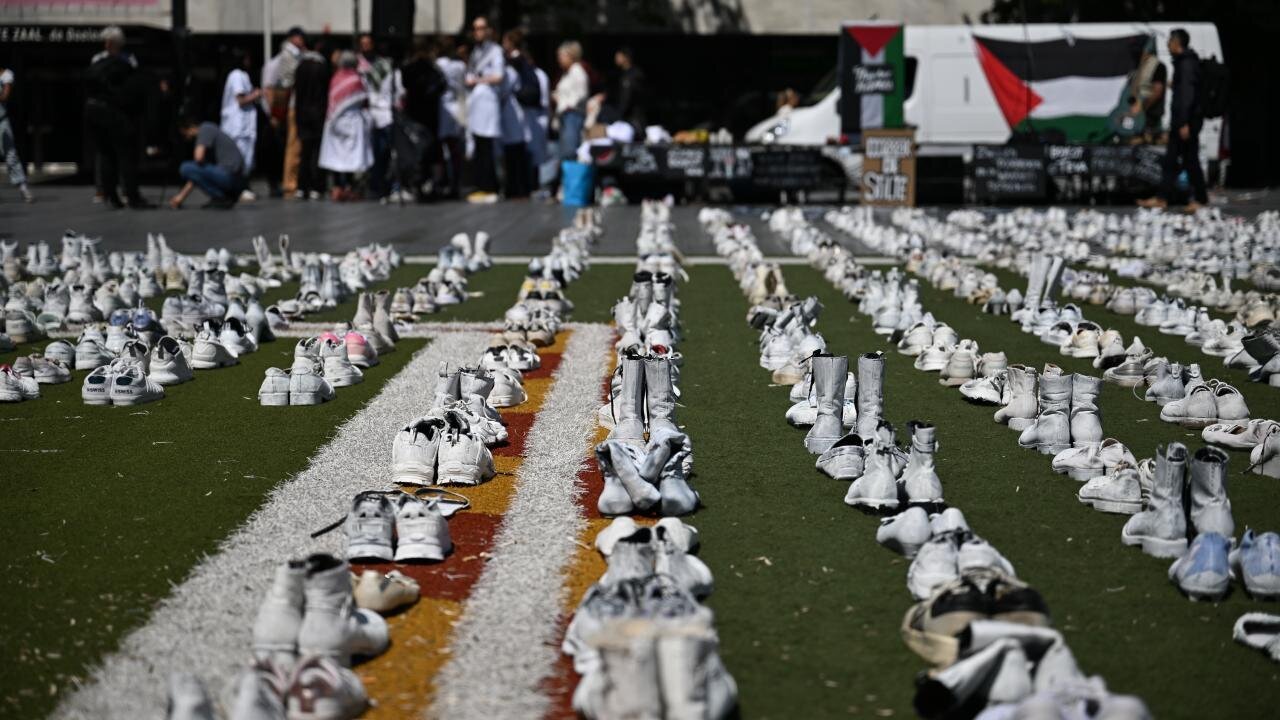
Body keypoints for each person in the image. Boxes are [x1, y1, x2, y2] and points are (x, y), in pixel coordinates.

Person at [85, 26, 154, 209]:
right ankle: (131, 195)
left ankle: (110, 195)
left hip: (94, 112)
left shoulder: (96, 61)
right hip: (116, 114)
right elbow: (133, 89)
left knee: (105, 154)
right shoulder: (127, 61)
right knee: (126, 155)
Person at [1139, 28, 1206, 212]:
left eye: (1170, 41)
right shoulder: (1184, 63)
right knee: (1170, 160)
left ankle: (1200, 198)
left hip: (1186, 122)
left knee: (1190, 160)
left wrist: (1183, 122)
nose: (1168, 45)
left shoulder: (1186, 65)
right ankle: (1162, 198)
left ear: (1177, 43)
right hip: (1182, 121)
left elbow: (1186, 96)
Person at [319, 50, 372, 201]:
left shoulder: (335, 78)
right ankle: (349, 187)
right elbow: (364, 98)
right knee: (351, 156)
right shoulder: (357, 79)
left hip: (335, 122)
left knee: (336, 156)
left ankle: (337, 187)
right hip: (352, 121)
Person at [400, 37, 447, 200]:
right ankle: (427, 182)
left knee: (418, 149)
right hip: (427, 115)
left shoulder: (410, 68)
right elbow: (442, 86)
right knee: (428, 150)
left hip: (416, 115)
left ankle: (419, 182)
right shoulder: (432, 69)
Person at [465, 16, 505, 203]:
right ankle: (481, 185)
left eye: (481, 28)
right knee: (479, 145)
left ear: (489, 30)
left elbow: (499, 76)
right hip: (476, 102)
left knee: (486, 146)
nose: (478, 32)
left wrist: (477, 80)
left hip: (487, 101)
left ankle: (490, 187)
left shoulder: (495, 51)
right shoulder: (475, 52)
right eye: (475, 28)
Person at [168, 119, 245, 209]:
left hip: (229, 175)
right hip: (234, 177)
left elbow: (198, 157)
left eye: (185, 134)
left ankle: (220, 197)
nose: (187, 138)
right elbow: (197, 175)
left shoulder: (205, 129)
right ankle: (224, 196)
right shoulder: (211, 135)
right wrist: (180, 197)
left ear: (191, 128)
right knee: (193, 170)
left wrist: (197, 147)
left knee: (185, 167)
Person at [359, 34, 396, 201]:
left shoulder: (384, 66)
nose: (366, 47)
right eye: (363, 44)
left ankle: (381, 185)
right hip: (371, 114)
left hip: (384, 113)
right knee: (374, 152)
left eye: (368, 43)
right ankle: (376, 185)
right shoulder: (359, 64)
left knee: (383, 152)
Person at [271, 27, 306, 196]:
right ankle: (290, 182)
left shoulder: (295, 54)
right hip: (293, 103)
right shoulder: (288, 54)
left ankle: (293, 180)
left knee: (295, 145)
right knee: (293, 145)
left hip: (296, 102)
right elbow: (289, 77)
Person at [220, 47, 260, 200]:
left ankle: (242, 186)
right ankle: (238, 188)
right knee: (240, 158)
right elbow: (241, 99)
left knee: (246, 158)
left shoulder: (242, 75)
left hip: (243, 126)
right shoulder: (237, 75)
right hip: (238, 126)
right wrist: (256, 94)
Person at [294, 43, 330, 200]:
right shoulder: (322, 67)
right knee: (317, 152)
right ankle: (317, 186)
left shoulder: (300, 67)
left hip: (302, 114)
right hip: (318, 114)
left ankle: (302, 187)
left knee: (305, 152)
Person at [501, 29, 533, 199]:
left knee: (515, 150)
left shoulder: (515, 61)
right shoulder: (520, 60)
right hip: (513, 109)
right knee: (515, 149)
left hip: (514, 108)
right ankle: (517, 187)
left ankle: (517, 187)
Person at [435, 37, 468, 199]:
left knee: (441, 150)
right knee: (455, 150)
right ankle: (455, 183)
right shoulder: (460, 66)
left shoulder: (437, 64)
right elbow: (463, 87)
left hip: (441, 108)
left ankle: (442, 182)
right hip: (456, 108)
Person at [0, 66, 34, 203]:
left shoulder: (6, 75)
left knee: (11, 155)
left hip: (1, 121)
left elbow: (5, 95)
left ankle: (23, 187)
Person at [553, 41, 589, 167]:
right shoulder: (567, 73)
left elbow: (582, 93)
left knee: (569, 151)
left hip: (572, 115)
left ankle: (572, 176)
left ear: (571, 56)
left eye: (561, 55)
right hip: (566, 115)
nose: (559, 59)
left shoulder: (577, 71)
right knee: (564, 151)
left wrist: (568, 105)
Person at [611, 46, 648, 132]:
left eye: (619, 56)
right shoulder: (623, 74)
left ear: (626, 57)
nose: (616, 58)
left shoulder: (634, 75)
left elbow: (627, 98)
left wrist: (618, 115)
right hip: (627, 117)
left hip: (634, 118)